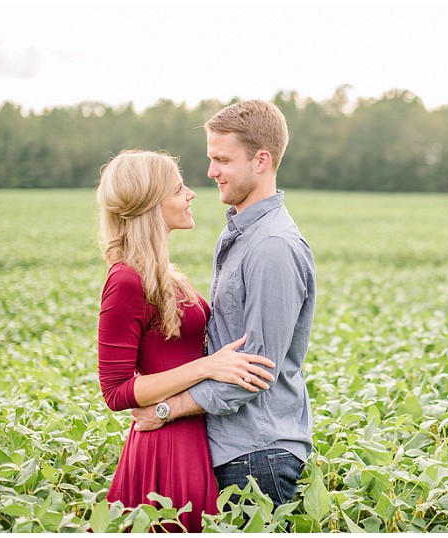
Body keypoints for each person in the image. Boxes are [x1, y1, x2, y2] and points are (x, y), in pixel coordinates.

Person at [131, 100, 317, 508]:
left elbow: (256, 369)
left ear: (261, 160)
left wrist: (167, 408)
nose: (212, 171)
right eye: (210, 158)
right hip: (235, 448)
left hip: (257, 452)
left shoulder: (272, 247)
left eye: (222, 160)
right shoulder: (240, 234)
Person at [96, 149, 276, 532]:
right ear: (151, 203)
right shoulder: (125, 280)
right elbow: (115, 390)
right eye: (179, 189)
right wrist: (207, 366)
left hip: (193, 433)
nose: (192, 194)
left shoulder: (166, 274)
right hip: (164, 445)